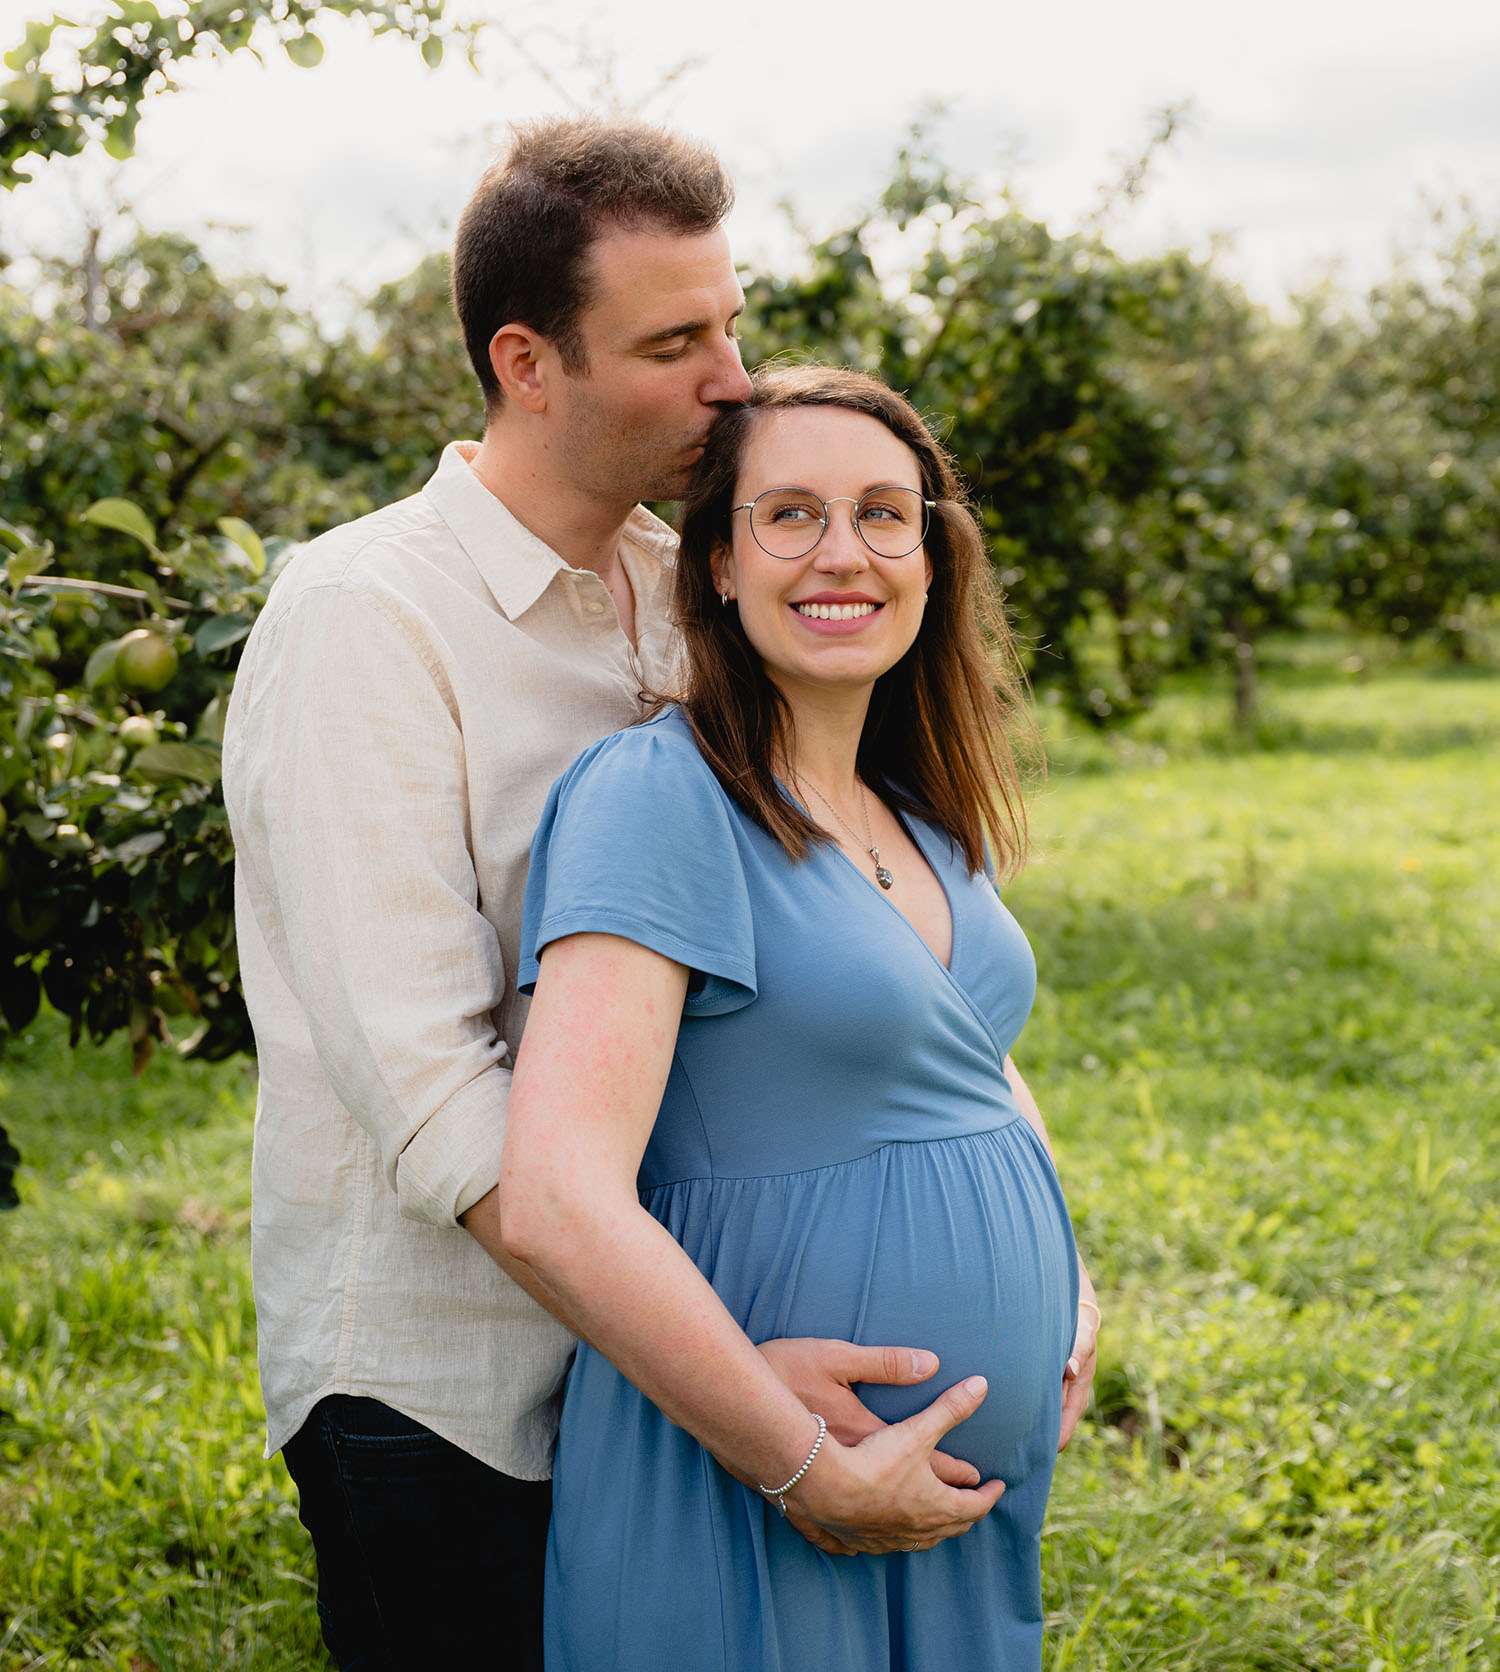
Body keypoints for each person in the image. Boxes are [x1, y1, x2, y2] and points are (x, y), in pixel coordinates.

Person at [222, 121, 1012, 1670]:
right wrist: (751, 1406)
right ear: (529, 361)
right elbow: (438, 1098)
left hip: (670, 1379)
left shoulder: (696, 587)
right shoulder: (364, 620)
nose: (733, 379)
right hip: (454, 1405)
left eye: (732, 322)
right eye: (673, 342)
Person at [499, 364, 1101, 1669]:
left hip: (950, 1512)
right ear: (717, 562)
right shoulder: (660, 797)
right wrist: (803, 1466)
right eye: (791, 516)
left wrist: (1071, 1283)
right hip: (755, 1483)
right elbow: (554, 1198)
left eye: (888, 514)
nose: (846, 553)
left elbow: (971, 1062)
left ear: (935, 560)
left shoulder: (923, 811)